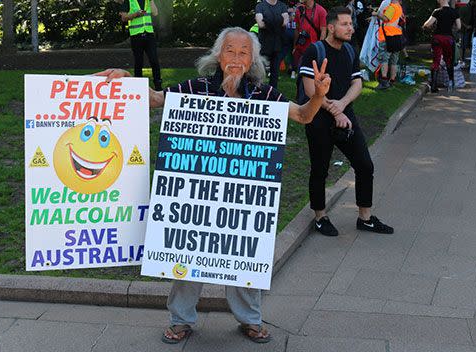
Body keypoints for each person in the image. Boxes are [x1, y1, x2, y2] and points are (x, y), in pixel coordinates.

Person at [97, 26, 331, 345]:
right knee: (187, 251)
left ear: (253, 60)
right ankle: (181, 320)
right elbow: (154, 99)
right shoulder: (197, 88)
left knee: (243, 251)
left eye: (243, 52)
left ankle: (250, 319)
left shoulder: (264, 95)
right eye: (230, 51)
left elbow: (303, 116)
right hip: (196, 191)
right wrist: (127, 79)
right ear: (218, 56)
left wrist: (317, 96)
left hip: (242, 193)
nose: (236, 58)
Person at [298, 6, 394, 237]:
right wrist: (335, 110)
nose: (350, 28)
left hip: (344, 115)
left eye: (351, 24)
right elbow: (311, 90)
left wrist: (342, 105)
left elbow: (357, 83)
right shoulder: (315, 51)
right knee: (320, 169)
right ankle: (320, 217)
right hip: (318, 118)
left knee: (364, 165)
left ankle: (365, 218)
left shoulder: (350, 50)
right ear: (331, 27)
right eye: (345, 24)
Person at [119, 0, 163, 91]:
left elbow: (155, 13)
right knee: (139, 62)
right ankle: (138, 87)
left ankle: (158, 86)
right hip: (136, 35)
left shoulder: (148, 1)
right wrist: (135, 14)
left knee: (154, 60)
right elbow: (123, 18)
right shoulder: (129, 1)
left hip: (149, 34)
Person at [423, 0, 461, 92]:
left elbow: (428, 24)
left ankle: (433, 86)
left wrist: (424, 26)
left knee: (436, 61)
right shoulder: (454, 12)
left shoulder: (437, 11)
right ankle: (451, 84)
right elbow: (459, 26)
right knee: (449, 61)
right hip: (449, 39)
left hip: (437, 38)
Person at [256, 0, 290, 88]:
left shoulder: (282, 5)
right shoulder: (260, 6)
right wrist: (278, 21)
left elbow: (285, 21)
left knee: (275, 71)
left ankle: (272, 94)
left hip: (278, 43)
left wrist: (268, 21)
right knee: (260, 70)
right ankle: (257, 90)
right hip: (264, 43)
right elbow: (260, 23)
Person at [373, 0, 404, 89]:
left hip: (387, 36)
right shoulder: (398, 6)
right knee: (394, 60)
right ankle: (392, 81)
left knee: (384, 59)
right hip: (397, 36)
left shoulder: (392, 7)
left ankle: (384, 81)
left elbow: (386, 19)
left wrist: (377, 14)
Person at [293, 0, 328, 71]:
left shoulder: (321, 11)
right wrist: (294, 47)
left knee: (311, 75)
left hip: (314, 49)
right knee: (301, 74)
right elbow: (297, 29)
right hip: (300, 48)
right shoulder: (299, 10)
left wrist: (320, 50)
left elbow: (323, 32)